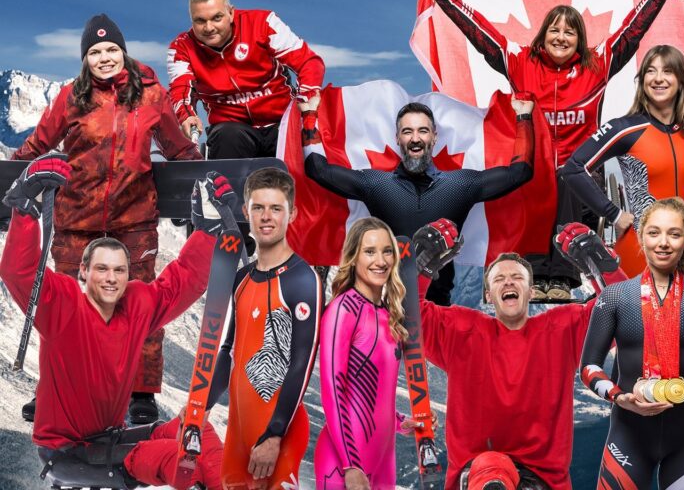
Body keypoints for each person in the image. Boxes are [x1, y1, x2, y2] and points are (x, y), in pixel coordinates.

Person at [423, 0, 676, 300]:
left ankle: (563, 279)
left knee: (566, 176)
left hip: (580, 183)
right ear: (543, 35)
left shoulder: (598, 64)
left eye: (569, 31)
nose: (561, 37)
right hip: (532, 179)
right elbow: (478, 31)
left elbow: (635, 27)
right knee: (530, 175)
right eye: (554, 30)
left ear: (579, 38)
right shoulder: (520, 62)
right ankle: (531, 276)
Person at [13, 13, 204, 424]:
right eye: (95, 52)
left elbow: (178, 148)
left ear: (123, 52)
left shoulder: (151, 95)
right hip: (76, 220)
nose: (104, 58)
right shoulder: (71, 96)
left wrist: (205, 175)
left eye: (111, 49)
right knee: (64, 308)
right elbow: (37, 144)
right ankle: (54, 386)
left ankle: (141, 392)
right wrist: (10, 178)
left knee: (141, 303)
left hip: (133, 219)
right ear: (85, 59)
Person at [0, 154, 229, 489]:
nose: (111, 278)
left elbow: (180, 284)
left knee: (196, 431)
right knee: (176, 459)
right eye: (102, 269)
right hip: (64, 452)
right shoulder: (62, 305)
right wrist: (24, 209)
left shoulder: (136, 305)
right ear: (83, 271)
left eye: (119, 270)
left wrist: (207, 232)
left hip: (109, 439)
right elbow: (19, 273)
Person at [410, 219, 605, 490]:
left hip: (545, 478)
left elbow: (624, 310)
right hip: (477, 471)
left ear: (531, 291)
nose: (508, 282)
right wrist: (419, 268)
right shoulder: (461, 330)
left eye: (517, 278)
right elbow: (405, 315)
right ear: (489, 295)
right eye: (499, 279)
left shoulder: (562, 329)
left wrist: (601, 267)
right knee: (488, 466)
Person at [301, 98, 535, 305]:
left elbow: (520, 172)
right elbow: (317, 170)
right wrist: (309, 115)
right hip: (388, 313)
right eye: (407, 132)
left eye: (423, 131)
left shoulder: (460, 185)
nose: (415, 139)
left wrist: (523, 116)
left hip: (438, 314)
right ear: (397, 138)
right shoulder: (376, 184)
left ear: (434, 137)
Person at [579, 197, 684, 490]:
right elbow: (588, 367)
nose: (663, 243)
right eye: (654, 233)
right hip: (629, 432)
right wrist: (619, 397)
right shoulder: (614, 297)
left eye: (674, 234)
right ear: (641, 237)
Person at [561, 45, 684, 276]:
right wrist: (614, 214)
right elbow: (573, 169)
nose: (658, 78)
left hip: (683, 257)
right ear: (642, 79)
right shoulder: (625, 128)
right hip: (637, 254)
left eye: (667, 71)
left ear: (681, 81)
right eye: (650, 71)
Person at [206, 167, 323, 489]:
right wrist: (202, 406)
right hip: (238, 435)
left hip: (278, 435)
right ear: (246, 212)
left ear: (292, 214)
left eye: (276, 208)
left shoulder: (303, 280)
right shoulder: (242, 278)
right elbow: (230, 350)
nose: (266, 217)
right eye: (258, 207)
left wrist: (274, 434)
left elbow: (301, 363)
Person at [315, 216, 422, 489]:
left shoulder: (388, 314)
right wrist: (350, 464)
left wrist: (399, 422)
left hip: (384, 458)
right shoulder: (343, 310)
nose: (381, 261)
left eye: (387, 251)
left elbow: (375, 390)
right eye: (370, 251)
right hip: (343, 463)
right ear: (353, 257)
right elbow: (333, 390)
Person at [167, 0, 325, 158]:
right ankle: (226, 177)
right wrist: (187, 116)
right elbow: (180, 88)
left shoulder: (263, 23)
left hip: (281, 122)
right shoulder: (181, 47)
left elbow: (309, 62)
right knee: (227, 136)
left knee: (302, 141)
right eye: (200, 21)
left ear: (231, 13)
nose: (209, 27)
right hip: (231, 130)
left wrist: (306, 103)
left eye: (217, 18)